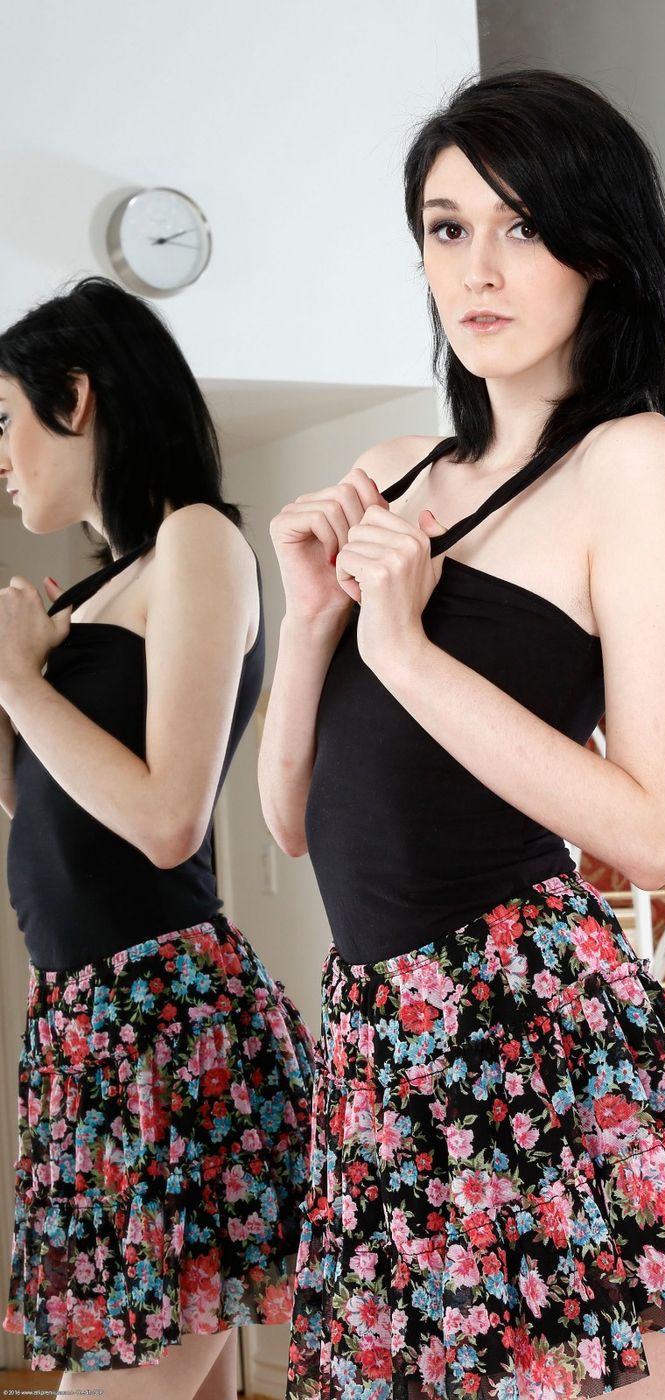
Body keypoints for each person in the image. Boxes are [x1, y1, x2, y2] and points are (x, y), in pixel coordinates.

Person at [262, 67, 665, 1400]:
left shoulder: (631, 460)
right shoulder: (394, 471)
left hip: (527, 1021)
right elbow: (287, 821)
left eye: (521, 226)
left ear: (596, 253)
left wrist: (403, 646)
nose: (477, 268)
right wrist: (313, 621)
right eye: (447, 228)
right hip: (379, 1032)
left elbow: (651, 827)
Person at [0, 276, 317, 1396]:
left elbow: (167, 818)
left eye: (5, 418)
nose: (0, 455)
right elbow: (52, 808)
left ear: (77, 397)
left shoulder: (195, 540)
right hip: (90, 1020)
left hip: (162, 1022)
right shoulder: (103, 589)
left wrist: (20, 681)